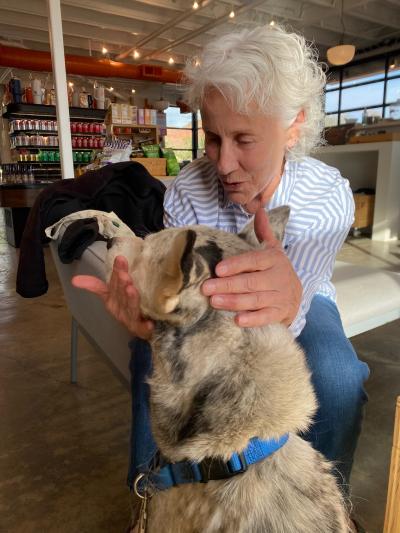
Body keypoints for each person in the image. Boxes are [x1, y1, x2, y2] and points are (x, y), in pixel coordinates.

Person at [73, 24, 369, 514]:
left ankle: (316, 506)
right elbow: (182, 309)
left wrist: (284, 296)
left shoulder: (326, 198)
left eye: (244, 139)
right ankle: (152, 499)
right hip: (207, 310)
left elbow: (281, 325)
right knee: (152, 359)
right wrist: (150, 320)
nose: (224, 162)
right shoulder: (189, 188)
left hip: (299, 303)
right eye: (212, 137)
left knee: (337, 376)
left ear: (293, 126)